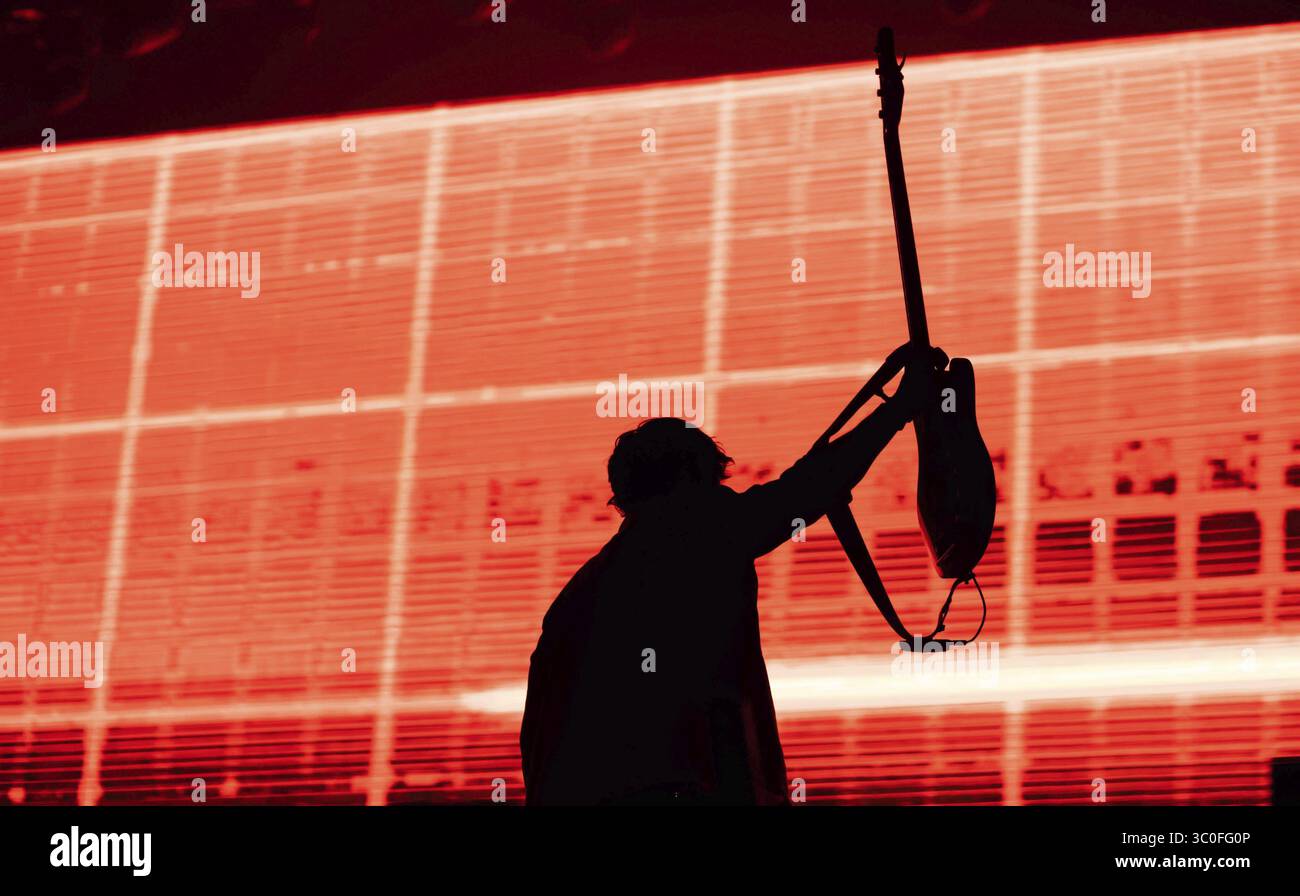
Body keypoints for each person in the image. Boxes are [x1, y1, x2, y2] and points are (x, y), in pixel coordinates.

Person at [519, 342, 938, 805]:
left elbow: (542, 739)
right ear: (685, 479)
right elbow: (809, 488)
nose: (725, 498)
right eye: (714, 484)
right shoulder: (691, 533)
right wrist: (900, 407)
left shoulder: (580, 597)